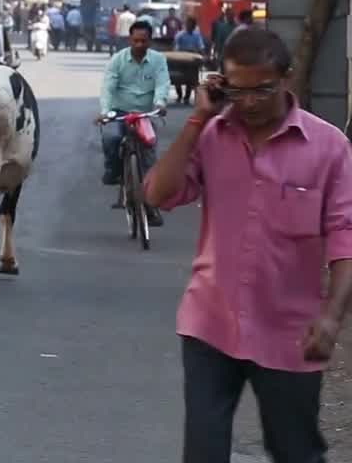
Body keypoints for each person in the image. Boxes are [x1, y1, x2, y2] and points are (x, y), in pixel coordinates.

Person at [144, 26, 352, 463]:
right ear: (222, 84)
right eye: (239, 91)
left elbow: (344, 238)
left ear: (287, 78)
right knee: (203, 451)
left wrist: (332, 317)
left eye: (264, 89)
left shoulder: (330, 148)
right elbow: (158, 195)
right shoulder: (210, 135)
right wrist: (198, 118)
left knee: (295, 451)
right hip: (210, 324)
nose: (251, 102)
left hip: (290, 332)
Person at [97, 20, 170, 210]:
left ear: (150, 41)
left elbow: (162, 83)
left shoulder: (158, 60)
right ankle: (113, 171)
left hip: (145, 114)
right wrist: (105, 112)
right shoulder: (117, 60)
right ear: (130, 40)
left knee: (149, 155)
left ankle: (150, 206)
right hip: (120, 111)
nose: (139, 45)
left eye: (143, 41)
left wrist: (160, 103)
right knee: (111, 137)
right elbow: (108, 88)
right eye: (136, 41)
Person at [173, 17, 206, 105]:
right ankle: (179, 95)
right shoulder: (180, 35)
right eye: (188, 24)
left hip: (192, 59)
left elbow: (201, 46)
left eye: (192, 25)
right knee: (177, 78)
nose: (190, 26)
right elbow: (176, 48)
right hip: (181, 58)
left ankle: (187, 97)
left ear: (194, 26)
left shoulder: (197, 35)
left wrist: (203, 55)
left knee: (190, 78)